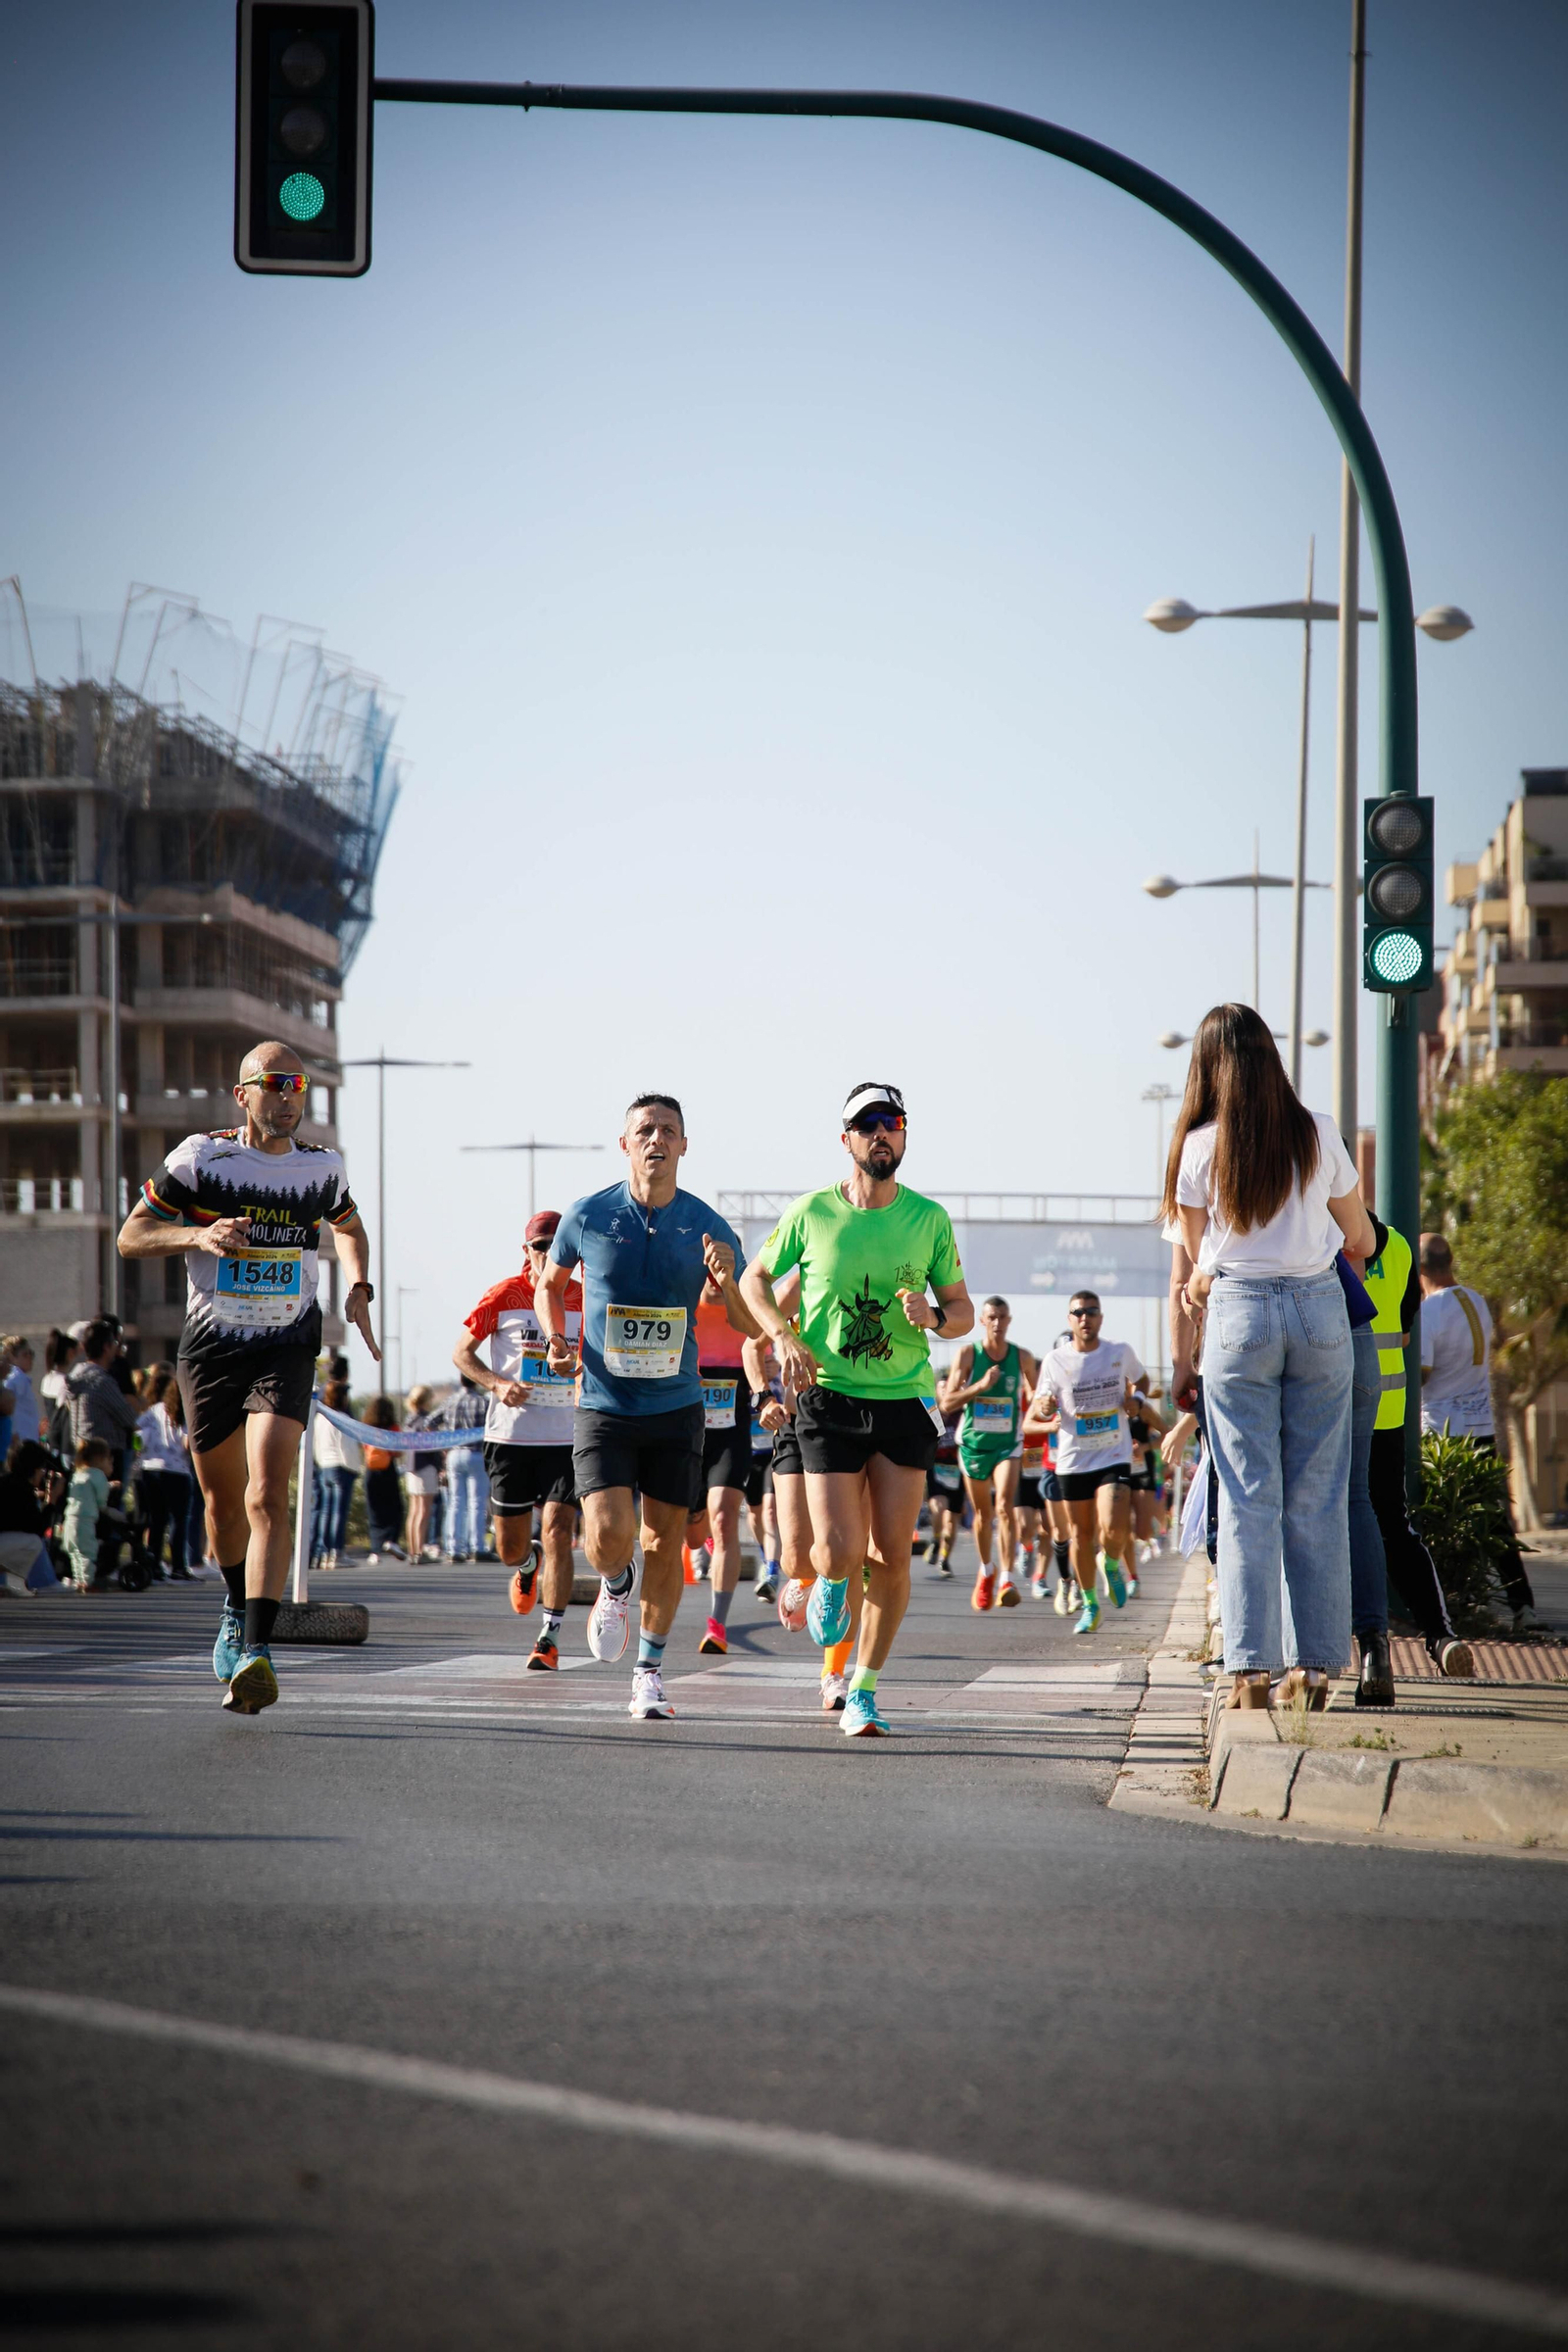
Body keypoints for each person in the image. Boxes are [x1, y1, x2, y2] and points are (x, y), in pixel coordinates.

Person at [117, 1039, 378, 1715]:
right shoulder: (201, 1159)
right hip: (210, 1349)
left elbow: (349, 1227)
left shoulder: (322, 1168)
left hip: (288, 1344)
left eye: (298, 1085)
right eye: (275, 1084)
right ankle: (235, 1606)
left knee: (268, 1491)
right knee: (222, 1508)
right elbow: (132, 1235)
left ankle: (258, 1650)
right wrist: (196, 1237)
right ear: (244, 1094)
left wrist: (359, 1285)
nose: (289, 1097)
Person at [739, 1081, 973, 1738]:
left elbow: (962, 1312)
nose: (881, 1133)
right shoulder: (812, 1212)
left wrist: (935, 1315)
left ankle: (864, 1689)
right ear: (845, 1140)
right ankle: (830, 1586)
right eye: (867, 1124)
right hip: (828, 1397)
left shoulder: (928, 1219)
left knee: (892, 1556)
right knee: (836, 1553)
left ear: (904, 1136)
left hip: (904, 1399)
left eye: (892, 1122)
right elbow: (752, 1282)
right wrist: (783, 1339)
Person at [1163, 1004, 1372, 1712]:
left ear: (1208, 1066)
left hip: (1239, 1315)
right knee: (1316, 1493)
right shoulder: (1317, 1133)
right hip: (1318, 1313)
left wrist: (1206, 1279)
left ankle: (1250, 1672)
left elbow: (1195, 1263)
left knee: (1249, 1496)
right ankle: (1313, 1670)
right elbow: (1361, 1237)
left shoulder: (1198, 1148)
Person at [536, 1097, 756, 1719]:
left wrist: (728, 1281)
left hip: (676, 1407)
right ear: (625, 1143)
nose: (656, 1139)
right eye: (645, 1130)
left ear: (685, 1145)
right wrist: (557, 1338)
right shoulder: (589, 1214)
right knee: (608, 1537)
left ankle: (651, 1671)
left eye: (669, 1131)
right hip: (605, 1402)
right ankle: (614, 1583)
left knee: (664, 1542)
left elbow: (747, 1326)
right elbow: (548, 1286)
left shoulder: (708, 1226)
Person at [453, 1213, 583, 1672]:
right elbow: (461, 1353)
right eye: (540, 1245)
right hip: (510, 1437)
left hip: (567, 1440)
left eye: (558, 1245)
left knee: (559, 1533)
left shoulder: (585, 1299)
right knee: (511, 1547)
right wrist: (496, 1384)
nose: (549, 1253)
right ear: (526, 1251)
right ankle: (527, 1567)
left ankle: (549, 1636)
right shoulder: (504, 1294)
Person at [1359, 1219, 1471, 1677]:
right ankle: (1440, 1634)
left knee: (1325, 1526)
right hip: (1387, 1412)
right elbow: (1404, 1335)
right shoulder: (1401, 1248)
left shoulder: (1315, 1242)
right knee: (1393, 1526)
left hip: (1329, 1417)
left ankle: (1364, 1650)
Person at [1418, 1232, 1537, 1633]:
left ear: (1419, 1271)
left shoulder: (1431, 1311)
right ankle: (1524, 1606)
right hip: (1481, 1427)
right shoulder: (1477, 1302)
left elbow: (1423, 1373)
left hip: (1442, 1434)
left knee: (1431, 1520)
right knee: (1495, 1522)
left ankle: (1442, 1606)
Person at [1025, 1297, 1147, 1635]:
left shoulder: (1119, 1352)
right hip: (1073, 1460)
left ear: (1100, 1318)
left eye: (1091, 1312)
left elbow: (1144, 1382)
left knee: (1115, 1528)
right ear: (1070, 1318)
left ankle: (1109, 1562)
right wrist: (1046, 1405)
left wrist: (1135, 1399)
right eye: (1078, 1313)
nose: (1084, 1318)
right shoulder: (1054, 1360)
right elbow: (1040, 1406)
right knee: (1080, 1534)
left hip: (1113, 1453)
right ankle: (1091, 1605)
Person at [686, 1285, 771, 1655]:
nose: (715, 1280)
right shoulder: (684, 1307)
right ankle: (703, 1536)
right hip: (685, 1436)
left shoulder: (747, 1315)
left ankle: (716, 1623)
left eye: (725, 1271)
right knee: (691, 1536)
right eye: (708, 1271)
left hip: (731, 1433)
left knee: (723, 1521)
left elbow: (766, 1361)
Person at [940, 1297, 1038, 1611]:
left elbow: (1037, 1395)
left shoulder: (1022, 1357)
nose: (997, 1323)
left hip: (1007, 1443)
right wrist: (980, 1386)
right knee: (983, 1514)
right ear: (983, 1321)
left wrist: (1041, 1403)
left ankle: (1007, 1578)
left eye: (1002, 1317)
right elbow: (948, 1403)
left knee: (1005, 1506)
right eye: (992, 1317)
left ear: (1009, 1320)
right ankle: (987, 1571)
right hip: (972, 1444)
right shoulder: (969, 1354)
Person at [65, 1320, 141, 1486]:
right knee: (107, 1508)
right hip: (104, 1456)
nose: (116, 1347)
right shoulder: (102, 1381)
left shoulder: (76, 1375)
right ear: (106, 1347)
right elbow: (129, 1418)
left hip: (80, 1450)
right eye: (114, 1343)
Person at [136, 1374, 193, 1581]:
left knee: (156, 1520)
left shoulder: (155, 1410)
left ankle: (154, 1565)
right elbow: (188, 1444)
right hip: (177, 1471)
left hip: (150, 1469)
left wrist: (139, 1452)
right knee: (179, 1520)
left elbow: (137, 1431)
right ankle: (178, 1566)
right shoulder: (187, 1411)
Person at [312, 1375, 363, 1570]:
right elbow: (347, 1447)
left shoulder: (320, 1418)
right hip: (341, 1467)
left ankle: (324, 1552)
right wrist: (355, 1467)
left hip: (324, 1466)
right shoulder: (343, 1418)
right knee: (339, 1512)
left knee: (326, 1511)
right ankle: (337, 1552)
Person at [0, 1438, 64, 1592]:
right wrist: (52, 1500)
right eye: (42, 1469)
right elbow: (38, 1528)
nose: (43, 1474)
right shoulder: (22, 1490)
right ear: (33, 1469)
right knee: (33, 1542)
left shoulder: (8, 1483)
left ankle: (15, 1585)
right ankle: (36, 1582)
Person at [437, 1376, 489, 1563]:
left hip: (454, 1453)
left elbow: (430, 1422)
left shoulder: (450, 1401)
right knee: (476, 1502)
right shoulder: (483, 1402)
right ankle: (477, 1547)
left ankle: (454, 1548)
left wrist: (443, 1446)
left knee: (455, 1502)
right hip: (476, 1453)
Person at [63, 1438, 113, 1590]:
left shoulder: (78, 1474)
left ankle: (78, 1580)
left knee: (74, 1552)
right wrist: (102, 1505)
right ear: (99, 1459)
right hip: (85, 1520)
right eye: (109, 1460)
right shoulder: (98, 1475)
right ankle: (88, 1582)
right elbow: (101, 1497)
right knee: (87, 1553)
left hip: (69, 1518)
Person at [361, 1396, 406, 1560]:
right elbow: (398, 1451)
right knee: (395, 1508)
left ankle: (375, 1549)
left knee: (374, 1511)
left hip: (371, 1471)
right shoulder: (392, 1428)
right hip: (388, 1471)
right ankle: (391, 1541)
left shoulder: (366, 1428)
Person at [401, 1387, 442, 1561]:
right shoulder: (427, 1421)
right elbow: (435, 1444)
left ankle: (412, 1549)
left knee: (413, 1510)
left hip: (411, 1467)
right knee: (424, 1512)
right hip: (426, 1466)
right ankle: (419, 1550)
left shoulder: (408, 1420)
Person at [923, 1404, 964, 1579]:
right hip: (936, 1467)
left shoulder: (962, 1413)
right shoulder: (931, 1411)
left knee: (952, 1520)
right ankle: (935, 1539)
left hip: (957, 1469)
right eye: (941, 1387)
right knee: (939, 1507)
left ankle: (944, 1559)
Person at [3, 1337, 40, 1445]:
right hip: (22, 1441)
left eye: (31, 1354)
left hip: (25, 1440)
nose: (30, 1358)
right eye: (25, 1355)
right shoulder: (16, 1378)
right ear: (12, 1358)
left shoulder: (20, 1378)